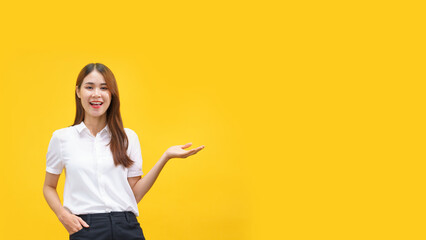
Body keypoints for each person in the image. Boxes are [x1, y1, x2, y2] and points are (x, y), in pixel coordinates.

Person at [42, 63, 205, 240]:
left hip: (127, 226)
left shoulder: (128, 137)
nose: (96, 94)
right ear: (78, 91)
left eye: (104, 88)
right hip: (87, 229)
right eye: (90, 87)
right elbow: (49, 186)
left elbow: (134, 194)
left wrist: (165, 157)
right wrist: (62, 215)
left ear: (112, 94)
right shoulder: (62, 138)